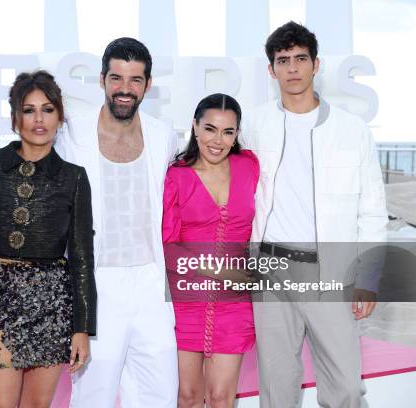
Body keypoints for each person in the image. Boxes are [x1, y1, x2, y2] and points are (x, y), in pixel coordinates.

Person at [240, 22, 388, 407]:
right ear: (271, 70)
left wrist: (368, 277)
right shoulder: (252, 125)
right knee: (277, 387)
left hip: (331, 274)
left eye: (300, 59)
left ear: (316, 64)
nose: (292, 68)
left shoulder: (352, 130)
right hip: (271, 270)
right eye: (283, 60)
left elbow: (372, 210)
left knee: (345, 388)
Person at [55, 37, 179, 408]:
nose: (125, 89)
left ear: (148, 84)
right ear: (102, 80)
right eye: (116, 78)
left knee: (159, 393)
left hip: (150, 282)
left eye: (135, 80)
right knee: (94, 394)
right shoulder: (71, 134)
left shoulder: (162, 136)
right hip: (97, 282)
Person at [0, 70, 96, 408]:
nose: (38, 119)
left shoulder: (74, 177)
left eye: (48, 110)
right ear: (15, 117)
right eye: (28, 110)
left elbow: (82, 256)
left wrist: (82, 328)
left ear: (59, 118)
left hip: (53, 303)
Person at [162, 93, 258, 408]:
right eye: (210, 129)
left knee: (221, 397)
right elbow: (169, 246)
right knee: (188, 396)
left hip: (235, 302)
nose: (217, 140)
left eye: (228, 132)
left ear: (236, 135)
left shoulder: (249, 166)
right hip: (187, 300)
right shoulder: (177, 175)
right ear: (195, 127)